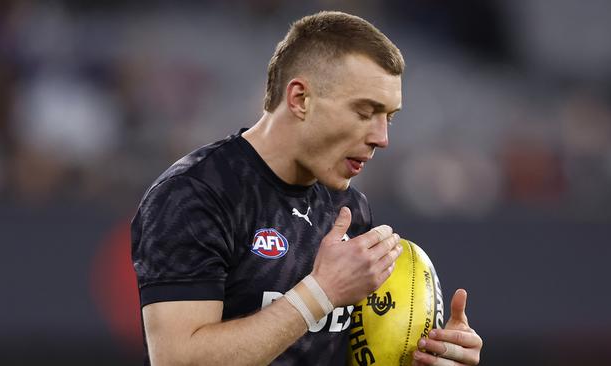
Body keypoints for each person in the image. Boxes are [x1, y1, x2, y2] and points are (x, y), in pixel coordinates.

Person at [131, 11, 482, 366]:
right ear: (299, 99)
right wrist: (320, 292)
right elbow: (178, 360)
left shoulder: (349, 208)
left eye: (388, 117)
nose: (382, 138)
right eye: (364, 112)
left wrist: (428, 357)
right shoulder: (195, 195)